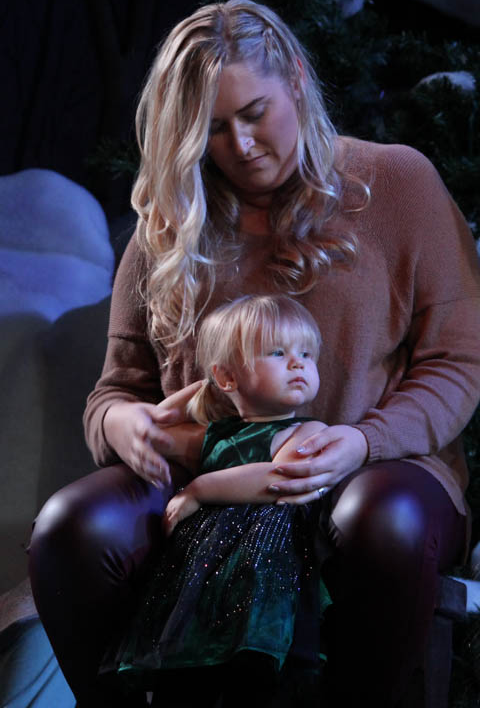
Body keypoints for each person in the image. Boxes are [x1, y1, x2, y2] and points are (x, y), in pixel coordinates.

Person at [28, 0, 480, 708]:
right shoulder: (170, 221)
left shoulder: (397, 183)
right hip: (212, 479)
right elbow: (118, 387)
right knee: (72, 529)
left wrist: (361, 442)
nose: (240, 144)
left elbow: (454, 365)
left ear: (297, 81)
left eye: (254, 113)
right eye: (213, 128)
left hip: (375, 470)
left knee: (381, 521)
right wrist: (121, 425)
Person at [107, 294, 327, 706]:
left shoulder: (308, 432)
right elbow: (157, 427)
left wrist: (198, 490)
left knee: (255, 677)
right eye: (278, 353)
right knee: (187, 673)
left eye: (307, 354)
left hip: (264, 580)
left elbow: (277, 477)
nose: (298, 363)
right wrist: (204, 387)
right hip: (199, 580)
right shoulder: (218, 435)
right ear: (227, 377)